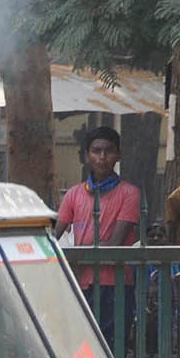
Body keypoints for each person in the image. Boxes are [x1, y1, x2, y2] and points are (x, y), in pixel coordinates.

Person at [55, 125, 142, 344]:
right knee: (81, 346)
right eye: (96, 151)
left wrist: (76, 252)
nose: (102, 157)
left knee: (112, 348)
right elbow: (52, 236)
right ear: (87, 156)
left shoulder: (129, 193)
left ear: (118, 155)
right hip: (81, 283)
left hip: (116, 285)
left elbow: (115, 244)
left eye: (109, 151)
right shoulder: (74, 194)